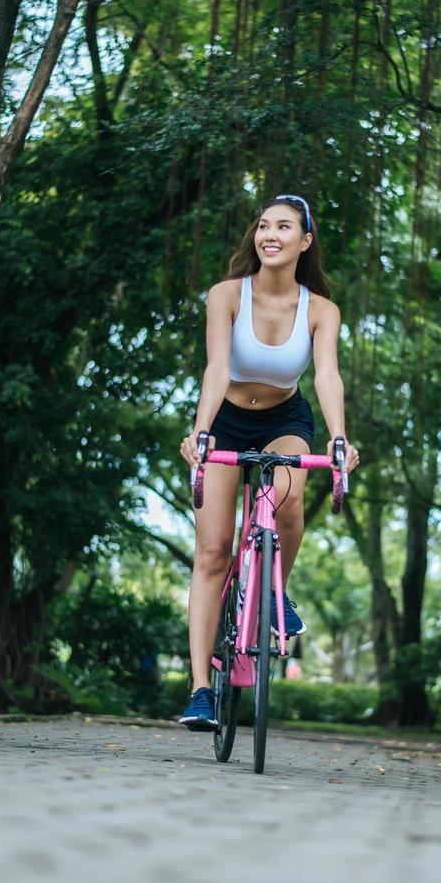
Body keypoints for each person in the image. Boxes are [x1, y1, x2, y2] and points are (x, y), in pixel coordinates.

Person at [175, 193, 359, 730]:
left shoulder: (322, 309)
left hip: (285, 420)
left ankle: (275, 596)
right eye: (262, 226)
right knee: (212, 552)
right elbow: (215, 368)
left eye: (283, 227)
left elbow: (326, 375)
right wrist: (202, 431)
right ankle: (201, 689)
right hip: (227, 417)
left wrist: (340, 439)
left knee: (290, 494)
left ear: (305, 241)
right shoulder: (225, 295)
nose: (269, 235)